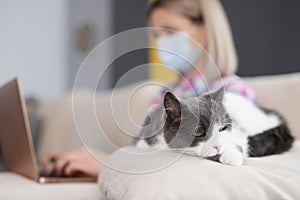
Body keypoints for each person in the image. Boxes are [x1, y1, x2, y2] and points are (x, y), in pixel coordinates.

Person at [42, 0, 256, 178]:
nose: (162, 42)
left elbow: (206, 166)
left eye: (170, 30)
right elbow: (143, 153)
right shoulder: (166, 95)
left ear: (205, 29)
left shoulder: (232, 92)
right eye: (157, 35)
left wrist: (109, 165)